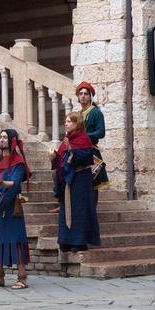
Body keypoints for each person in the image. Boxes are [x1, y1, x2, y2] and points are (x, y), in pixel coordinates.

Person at [0, 129, 31, 290]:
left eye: (5, 137)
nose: (2, 140)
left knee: (16, 240)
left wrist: (0, 181)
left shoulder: (18, 162)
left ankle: (22, 278)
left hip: (12, 205)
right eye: (0, 137)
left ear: (12, 140)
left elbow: (16, 183)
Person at [51, 112, 100, 253]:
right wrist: (55, 156)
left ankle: (79, 242)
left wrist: (71, 150)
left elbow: (86, 157)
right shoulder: (67, 138)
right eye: (65, 121)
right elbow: (62, 156)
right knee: (67, 209)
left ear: (77, 123)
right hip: (68, 179)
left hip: (81, 179)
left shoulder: (83, 138)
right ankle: (65, 241)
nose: (66, 124)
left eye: (69, 121)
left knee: (79, 210)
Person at [75, 81, 109, 205]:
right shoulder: (78, 114)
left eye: (86, 93)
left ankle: (92, 211)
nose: (83, 96)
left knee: (92, 183)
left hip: (91, 151)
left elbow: (101, 132)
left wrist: (84, 136)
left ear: (90, 96)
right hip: (78, 152)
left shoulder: (96, 113)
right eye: (81, 93)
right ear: (78, 97)